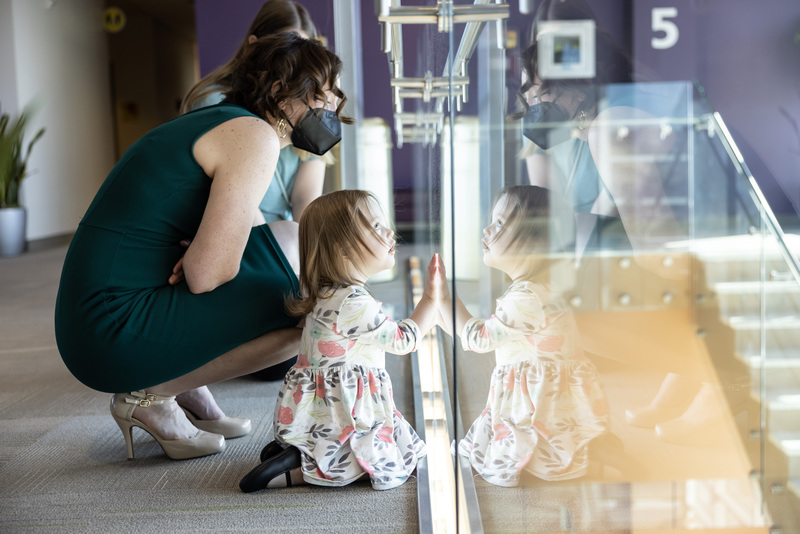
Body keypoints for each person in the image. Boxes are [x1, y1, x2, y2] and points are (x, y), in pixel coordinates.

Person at [54, 33, 352, 461]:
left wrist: (205, 246)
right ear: (278, 92)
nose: (329, 110)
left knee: (286, 250)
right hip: (106, 331)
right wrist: (206, 254)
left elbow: (242, 242)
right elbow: (207, 274)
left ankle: (184, 385)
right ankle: (151, 396)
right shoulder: (254, 136)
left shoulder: (225, 121)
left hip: (91, 320)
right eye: (320, 96)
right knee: (306, 314)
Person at [238, 190, 444, 491]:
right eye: (375, 227)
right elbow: (403, 340)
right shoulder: (354, 303)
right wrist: (429, 300)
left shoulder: (325, 293)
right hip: (343, 412)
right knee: (384, 461)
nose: (390, 232)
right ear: (343, 252)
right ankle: (298, 471)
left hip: (316, 410)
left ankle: (296, 452)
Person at [438, 185, 610, 486]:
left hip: (538, 402)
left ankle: (572, 459)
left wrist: (447, 303)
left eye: (501, 223)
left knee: (512, 449)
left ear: (535, 242)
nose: (487, 229)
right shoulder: (540, 287)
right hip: (551, 395)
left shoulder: (527, 297)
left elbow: (480, 338)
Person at [181, 0, 330, 226]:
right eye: (287, 53)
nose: (296, 67)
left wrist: (310, 249)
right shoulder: (213, 103)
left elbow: (305, 201)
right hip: (237, 228)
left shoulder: (306, 109)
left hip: (281, 236)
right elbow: (238, 202)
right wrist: (275, 250)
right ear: (254, 46)